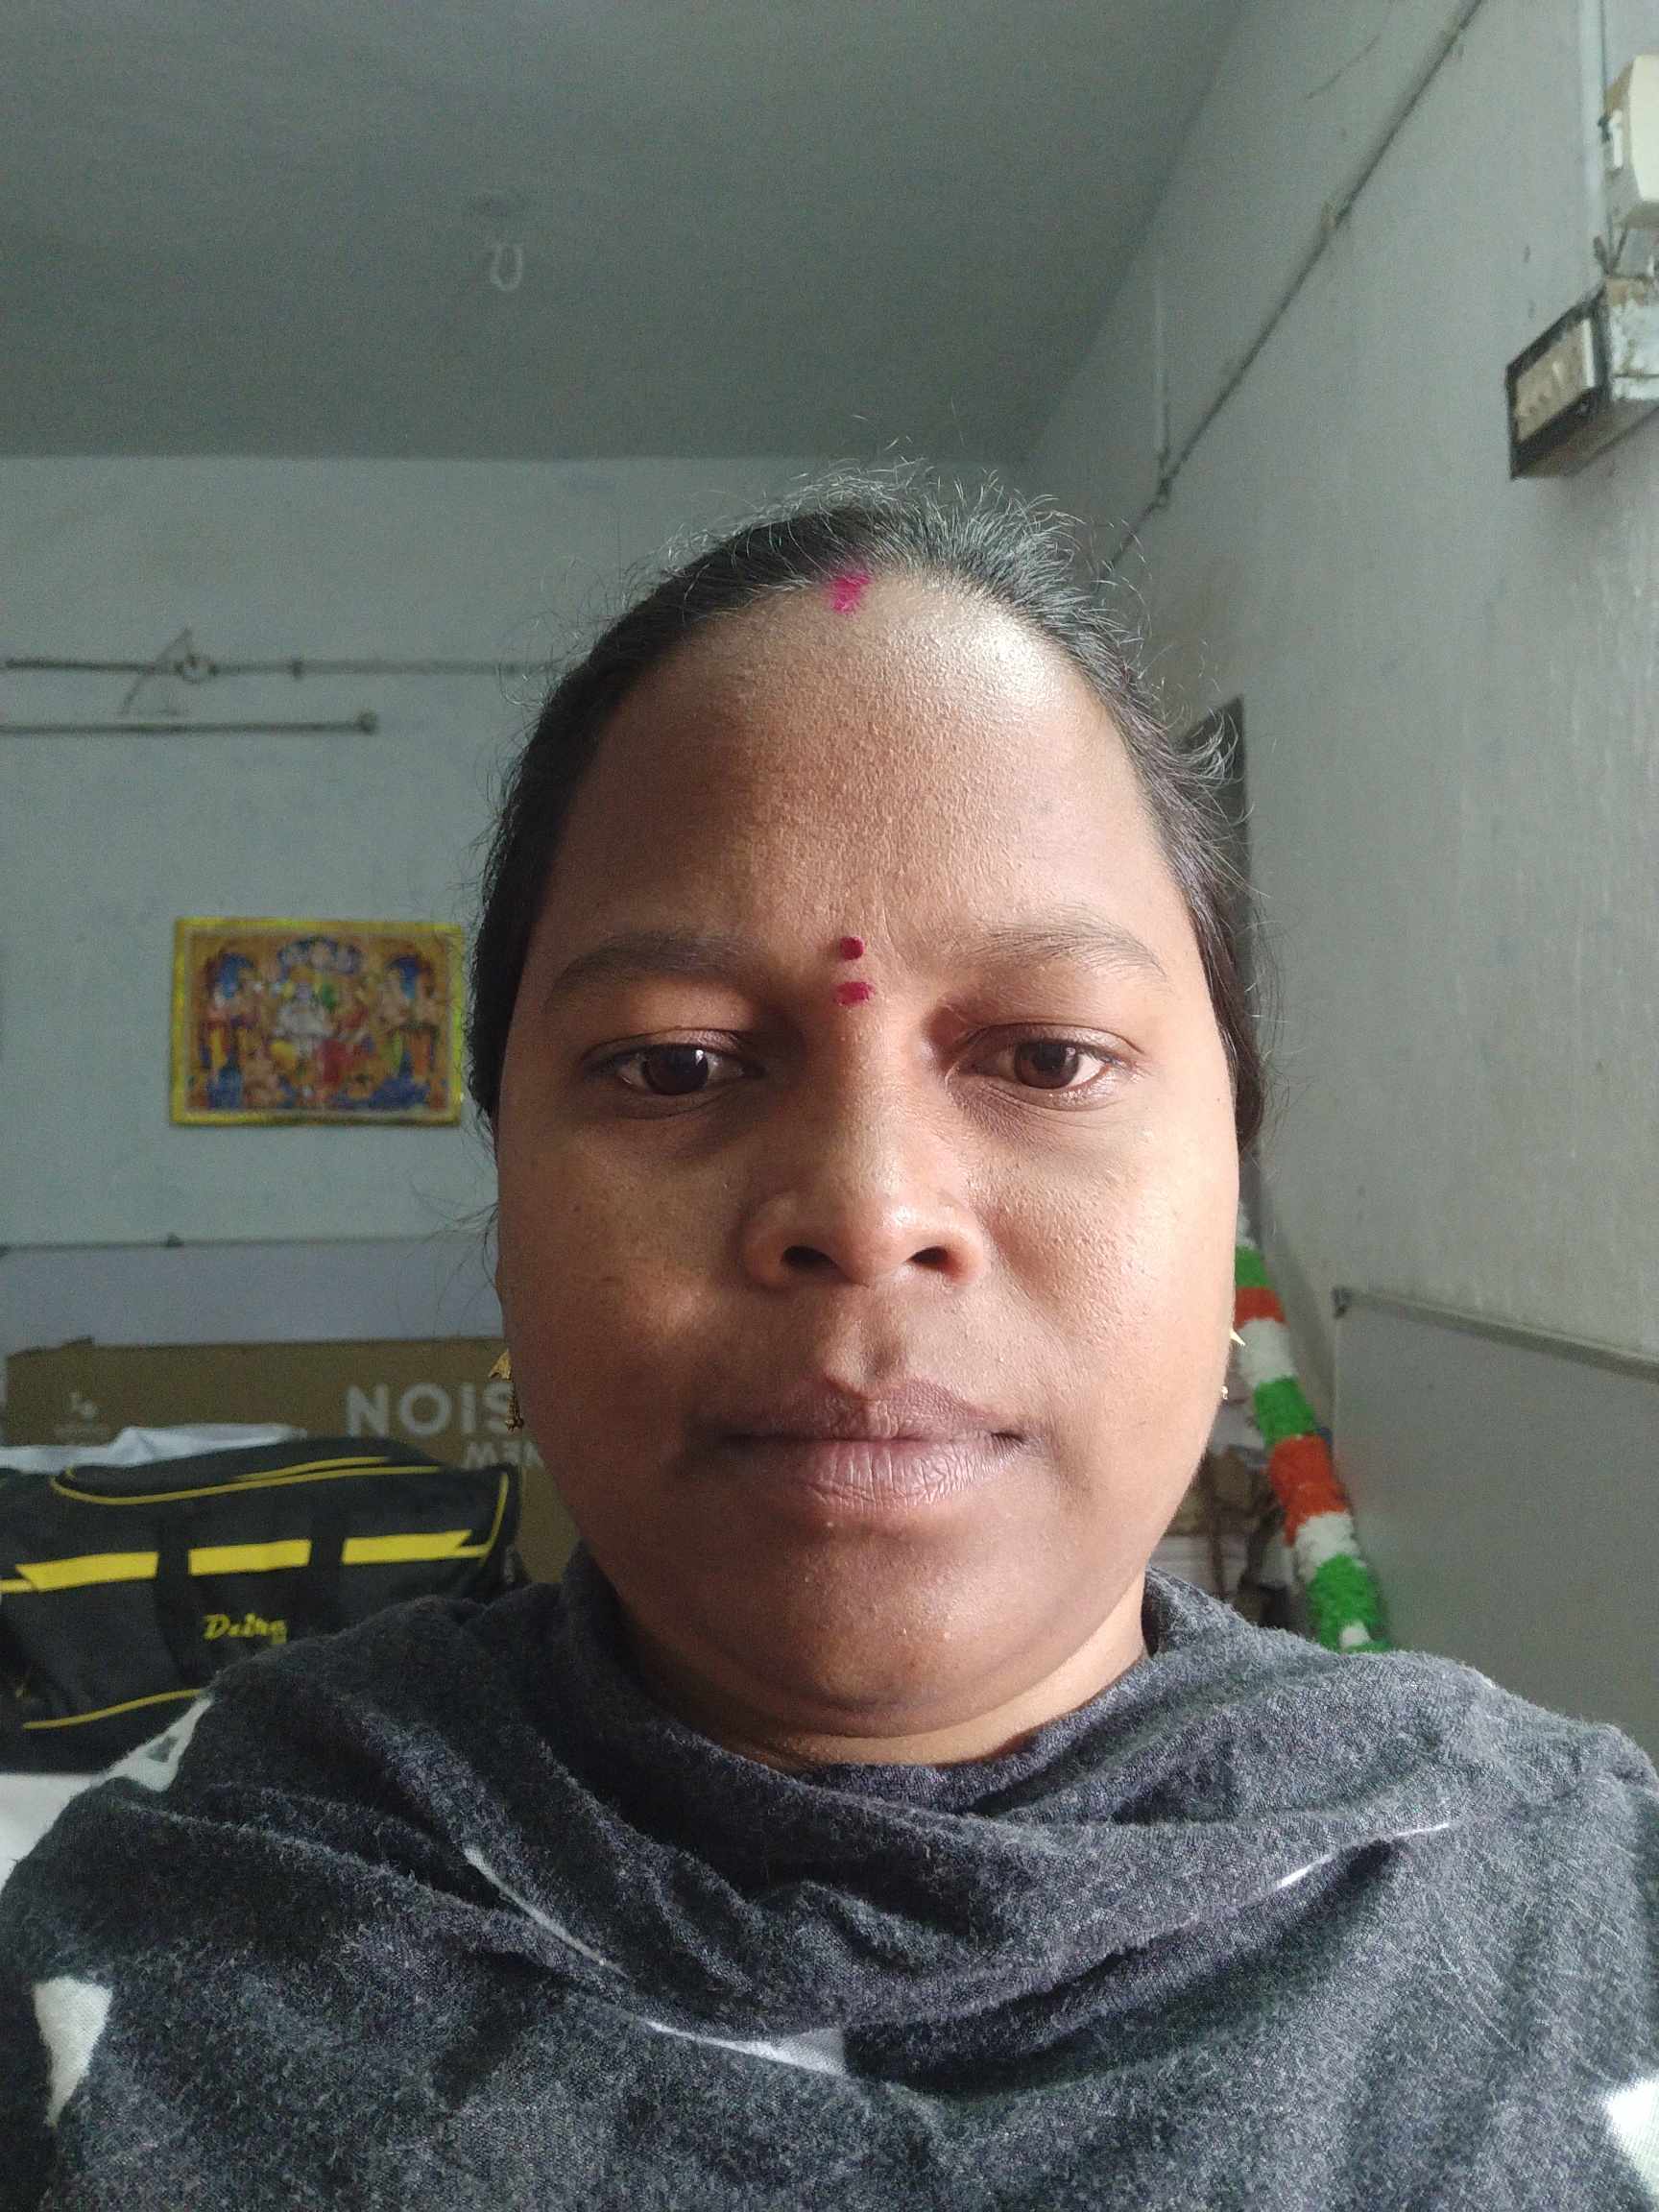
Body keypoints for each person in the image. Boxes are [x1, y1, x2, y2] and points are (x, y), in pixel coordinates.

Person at [2, 472, 1655, 2210]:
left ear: (1230, 1159)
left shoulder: (1573, 1910)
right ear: (508, 1190)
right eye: (675, 1065)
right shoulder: (149, 1941)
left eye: (1046, 1057)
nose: (869, 1210)